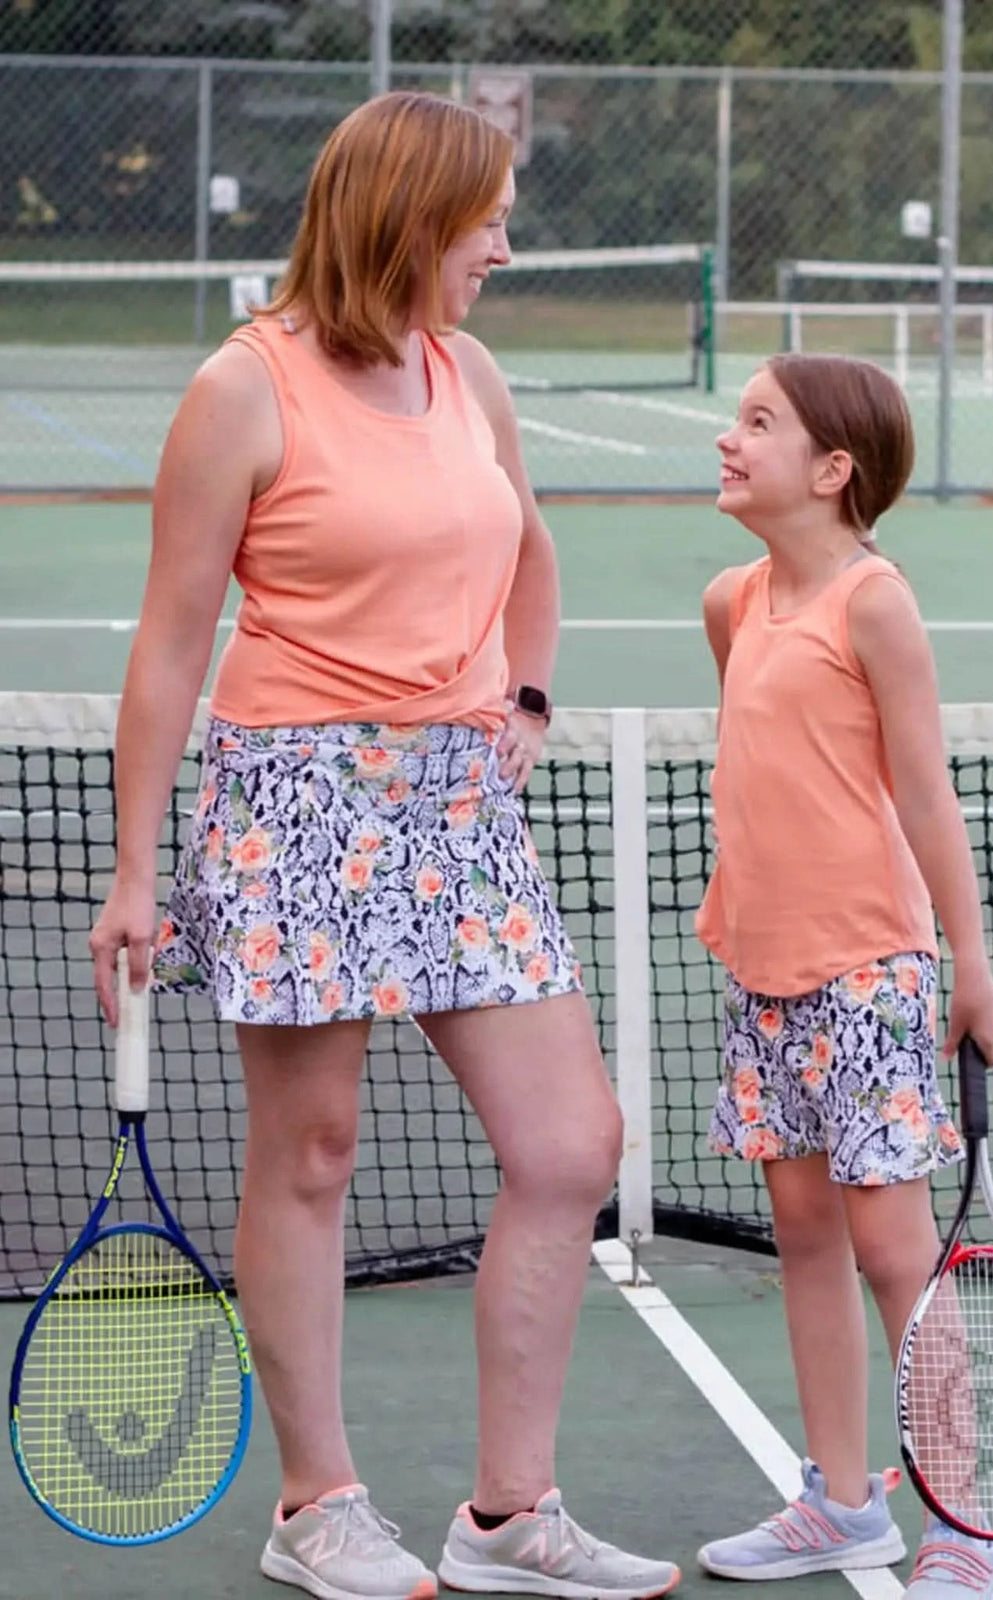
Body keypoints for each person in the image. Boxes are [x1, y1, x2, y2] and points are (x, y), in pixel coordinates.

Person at [89, 89, 681, 1600]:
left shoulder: (466, 370)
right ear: (405, 219)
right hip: (291, 799)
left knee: (571, 1144)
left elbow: (528, 548)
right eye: (481, 215)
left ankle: (509, 1519)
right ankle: (316, 1506)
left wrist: (527, 698)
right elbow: (170, 646)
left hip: (462, 810)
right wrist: (138, 869)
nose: (501, 241)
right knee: (312, 1152)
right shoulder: (245, 388)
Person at [691, 355, 993, 1600]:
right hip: (762, 973)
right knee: (807, 1234)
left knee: (893, 1251)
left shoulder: (875, 602)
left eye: (758, 423)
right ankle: (840, 1502)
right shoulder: (730, 601)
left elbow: (922, 792)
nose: (729, 440)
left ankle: (964, 1526)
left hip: (872, 971)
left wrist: (966, 963)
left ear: (833, 471)